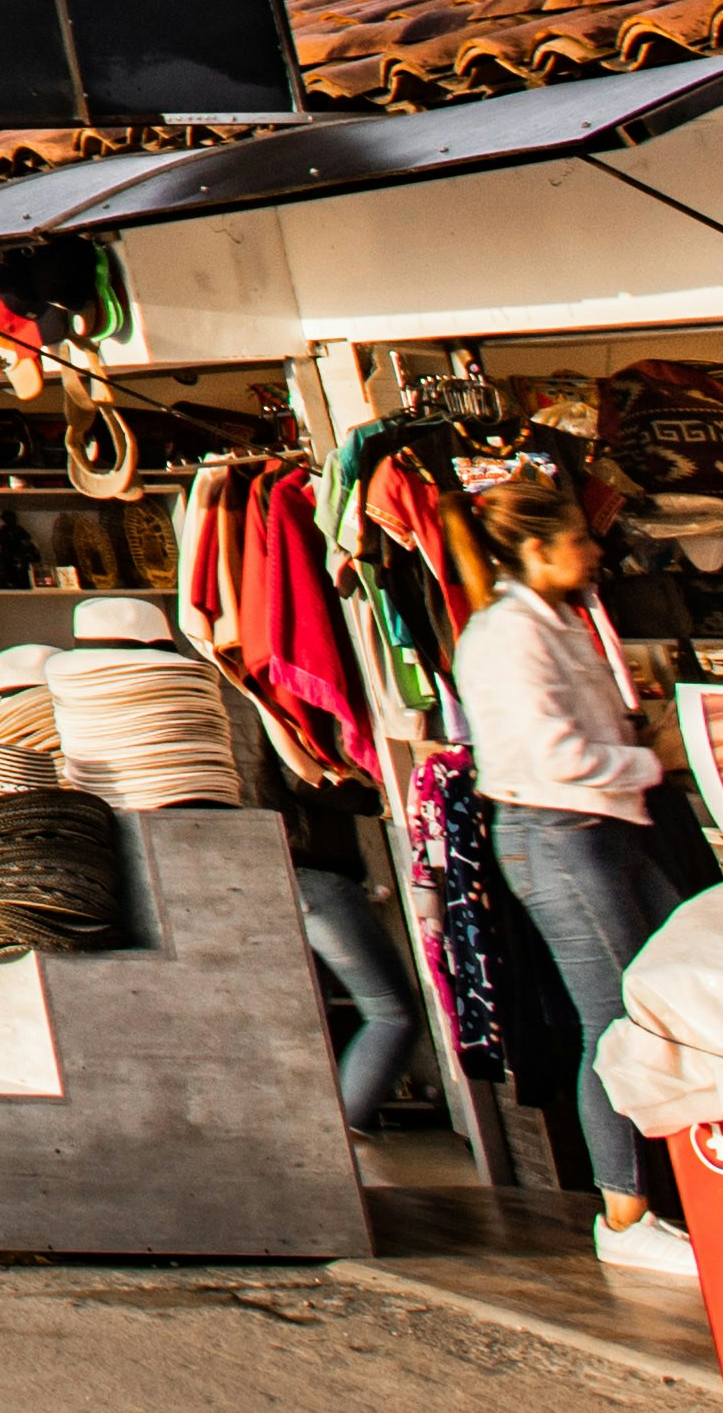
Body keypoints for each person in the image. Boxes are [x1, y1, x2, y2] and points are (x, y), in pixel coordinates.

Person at [457, 476, 698, 1277]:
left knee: (674, 989)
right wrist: (650, 757)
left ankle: (677, 1184)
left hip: (608, 824)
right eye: (577, 540)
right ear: (536, 549)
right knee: (617, 1018)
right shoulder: (507, 636)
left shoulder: (558, 623)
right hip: (561, 830)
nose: (593, 552)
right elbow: (547, 755)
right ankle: (625, 1215)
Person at [271, 751, 429, 1143]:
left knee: (312, 1023)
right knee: (394, 1015)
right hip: (320, 879)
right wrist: (380, 797)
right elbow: (303, 777)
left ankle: (317, 1140)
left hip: (285, 876)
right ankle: (338, 1138)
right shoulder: (277, 716)